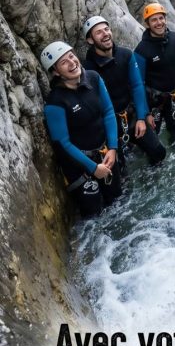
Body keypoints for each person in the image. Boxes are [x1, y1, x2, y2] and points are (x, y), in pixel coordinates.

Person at [42, 41, 122, 217]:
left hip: (106, 154)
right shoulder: (55, 102)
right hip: (80, 167)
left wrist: (113, 148)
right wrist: (93, 168)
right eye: (64, 62)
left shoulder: (93, 78)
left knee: (117, 199)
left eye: (72, 56)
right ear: (56, 72)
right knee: (93, 214)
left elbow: (108, 112)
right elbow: (62, 144)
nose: (72, 63)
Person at [82, 15, 166, 167]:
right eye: (99, 32)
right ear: (90, 40)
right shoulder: (88, 69)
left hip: (131, 115)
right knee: (121, 173)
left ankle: (151, 172)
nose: (105, 34)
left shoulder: (125, 55)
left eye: (106, 29)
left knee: (159, 152)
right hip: (109, 124)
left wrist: (142, 117)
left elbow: (137, 86)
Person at [134, 3, 175, 138]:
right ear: (147, 24)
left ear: (165, 19)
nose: (159, 23)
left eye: (161, 18)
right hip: (155, 102)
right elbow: (139, 84)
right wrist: (146, 113)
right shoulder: (142, 50)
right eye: (154, 20)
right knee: (154, 137)